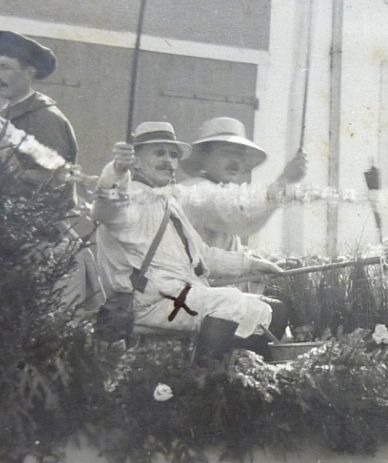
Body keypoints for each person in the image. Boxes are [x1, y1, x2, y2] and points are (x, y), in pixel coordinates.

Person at [91, 121, 285, 358]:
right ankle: (199, 382)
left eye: (173, 155)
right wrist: (117, 171)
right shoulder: (129, 198)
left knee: (271, 309)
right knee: (226, 301)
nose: (169, 161)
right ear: (136, 160)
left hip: (178, 297)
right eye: (159, 152)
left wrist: (253, 264)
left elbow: (203, 255)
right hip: (143, 301)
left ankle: (239, 381)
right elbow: (105, 208)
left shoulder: (168, 202)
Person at [175, 116, 307, 251]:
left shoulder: (224, 190)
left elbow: (232, 247)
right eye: (227, 152)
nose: (235, 161)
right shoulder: (194, 191)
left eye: (240, 155)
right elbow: (242, 215)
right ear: (204, 157)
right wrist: (285, 178)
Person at [0, 30, 78, 169]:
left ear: (29, 72)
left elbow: (53, 180)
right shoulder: (3, 116)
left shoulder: (47, 119)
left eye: (5, 68)